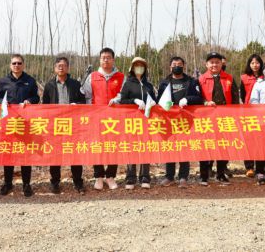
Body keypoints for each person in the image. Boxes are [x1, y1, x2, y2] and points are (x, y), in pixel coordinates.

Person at [0, 54, 39, 197]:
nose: (16, 65)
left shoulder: (30, 81)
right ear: (10, 65)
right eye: (14, 63)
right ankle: (8, 183)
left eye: (19, 63)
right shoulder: (4, 81)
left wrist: (29, 100)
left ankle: (26, 184)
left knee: (25, 154)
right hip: (9, 123)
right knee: (9, 153)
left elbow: (36, 97)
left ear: (23, 65)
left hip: (25, 123)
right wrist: (3, 101)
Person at [81, 47, 125, 190]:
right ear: (99, 60)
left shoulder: (121, 77)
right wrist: (90, 113)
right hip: (97, 117)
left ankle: (110, 176)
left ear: (113, 59)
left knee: (114, 146)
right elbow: (87, 96)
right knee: (97, 146)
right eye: (103, 57)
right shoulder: (92, 76)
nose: (105, 60)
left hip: (115, 118)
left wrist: (117, 99)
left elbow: (124, 94)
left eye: (108, 57)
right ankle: (98, 176)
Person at [42, 56, 86, 194]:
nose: (61, 67)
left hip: (73, 124)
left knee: (75, 153)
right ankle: (55, 182)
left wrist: (76, 105)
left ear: (68, 68)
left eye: (64, 65)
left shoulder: (75, 84)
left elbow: (83, 102)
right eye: (58, 65)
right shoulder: (49, 85)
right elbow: (45, 106)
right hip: (55, 125)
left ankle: (78, 182)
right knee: (55, 155)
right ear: (55, 68)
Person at [157, 56, 203, 188]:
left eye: (179, 64)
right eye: (174, 64)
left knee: (184, 147)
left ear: (184, 66)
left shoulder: (192, 81)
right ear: (170, 67)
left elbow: (199, 98)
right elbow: (158, 100)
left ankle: (183, 177)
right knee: (170, 147)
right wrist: (165, 104)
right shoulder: (164, 82)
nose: (177, 66)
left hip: (186, 119)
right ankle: (169, 176)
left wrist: (187, 99)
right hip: (169, 120)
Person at [198, 52, 239, 186]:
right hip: (206, 119)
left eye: (217, 62)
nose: (214, 64)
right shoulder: (200, 79)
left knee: (223, 146)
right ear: (206, 64)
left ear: (222, 63)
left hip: (225, 118)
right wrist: (205, 102)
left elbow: (235, 98)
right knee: (205, 146)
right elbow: (196, 98)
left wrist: (235, 115)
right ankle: (204, 175)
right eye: (211, 62)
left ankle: (221, 173)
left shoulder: (229, 78)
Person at [119, 57, 156, 190]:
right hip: (131, 122)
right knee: (132, 147)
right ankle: (130, 177)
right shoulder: (128, 84)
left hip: (146, 122)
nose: (139, 68)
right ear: (132, 68)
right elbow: (122, 101)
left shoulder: (149, 85)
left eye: (142, 66)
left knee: (145, 147)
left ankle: (145, 176)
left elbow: (154, 100)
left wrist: (153, 103)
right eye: (137, 65)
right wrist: (134, 100)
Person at [240, 54, 264, 178]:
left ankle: (263, 166)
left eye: (257, 62)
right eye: (252, 63)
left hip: (263, 113)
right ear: (249, 64)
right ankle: (249, 167)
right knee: (249, 140)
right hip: (248, 112)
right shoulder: (244, 78)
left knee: (262, 139)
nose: (255, 65)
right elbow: (242, 95)